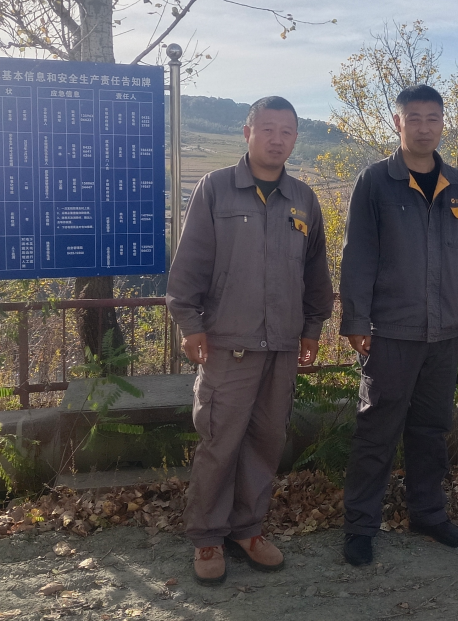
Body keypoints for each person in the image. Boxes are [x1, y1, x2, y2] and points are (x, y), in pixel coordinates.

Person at [166, 96, 334, 584]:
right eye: (267, 129)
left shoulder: (303, 198)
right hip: (228, 343)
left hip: (281, 344)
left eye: (286, 131)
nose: (277, 139)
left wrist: (312, 328)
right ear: (247, 133)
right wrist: (189, 323)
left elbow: (315, 273)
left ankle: (248, 529)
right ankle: (206, 536)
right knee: (219, 441)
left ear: (295, 138)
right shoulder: (216, 188)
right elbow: (190, 263)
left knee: (265, 441)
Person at [337, 84, 458, 566]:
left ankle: (428, 513)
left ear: (443, 123)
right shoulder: (375, 182)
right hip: (390, 332)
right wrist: (356, 319)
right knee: (376, 431)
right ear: (398, 123)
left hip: (443, 334)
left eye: (433, 118)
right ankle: (360, 525)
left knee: (431, 429)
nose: (425, 128)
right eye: (415, 118)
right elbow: (357, 256)